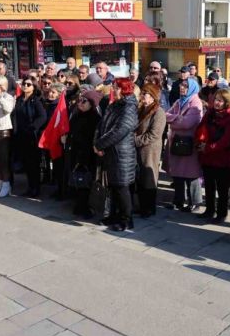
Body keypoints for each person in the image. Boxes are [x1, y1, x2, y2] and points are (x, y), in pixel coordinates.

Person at [94, 78, 139, 231]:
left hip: (122, 154)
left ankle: (127, 220)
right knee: (113, 186)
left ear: (124, 89)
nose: (113, 89)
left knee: (122, 187)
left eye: (116, 87)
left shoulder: (129, 106)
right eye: (113, 87)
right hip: (110, 152)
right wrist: (97, 142)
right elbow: (102, 125)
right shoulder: (114, 105)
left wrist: (100, 144)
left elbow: (120, 130)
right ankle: (113, 215)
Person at [196, 88, 230, 223]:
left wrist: (208, 147)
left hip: (222, 157)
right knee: (209, 186)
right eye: (216, 99)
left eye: (220, 100)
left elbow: (227, 140)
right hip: (207, 156)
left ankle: (221, 213)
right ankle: (209, 210)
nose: (217, 103)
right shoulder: (209, 113)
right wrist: (199, 143)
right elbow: (200, 128)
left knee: (222, 188)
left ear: (227, 102)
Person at [164, 78, 203, 211]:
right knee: (177, 173)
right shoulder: (179, 101)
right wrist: (178, 118)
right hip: (177, 141)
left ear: (192, 88)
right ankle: (178, 201)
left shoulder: (195, 102)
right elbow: (165, 115)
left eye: (185, 86)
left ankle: (195, 203)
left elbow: (187, 123)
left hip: (189, 143)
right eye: (181, 85)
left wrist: (174, 119)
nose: (182, 88)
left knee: (191, 174)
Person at [67, 89, 102, 219]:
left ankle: (84, 206)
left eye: (84, 101)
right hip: (76, 152)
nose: (80, 103)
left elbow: (92, 138)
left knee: (86, 180)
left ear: (92, 103)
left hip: (87, 154)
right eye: (80, 100)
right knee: (78, 179)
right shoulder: (78, 114)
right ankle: (79, 205)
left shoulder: (95, 118)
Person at [135, 83, 167, 218]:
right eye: (142, 93)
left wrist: (135, 141)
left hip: (150, 150)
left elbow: (154, 134)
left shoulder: (158, 112)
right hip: (140, 148)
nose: (142, 96)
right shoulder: (142, 108)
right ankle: (142, 206)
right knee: (140, 178)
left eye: (145, 94)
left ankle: (149, 208)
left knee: (149, 178)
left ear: (153, 96)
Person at [13, 77, 47, 198]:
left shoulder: (36, 100)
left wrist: (33, 127)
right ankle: (30, 187)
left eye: (28, 84)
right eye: (24, 83)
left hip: (32, 136)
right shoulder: (19, 99)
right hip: (21, 135)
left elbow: (42, 117)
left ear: (34, 87)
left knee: (34, 164)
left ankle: (36, 189)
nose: (25, 86)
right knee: (27, 163)